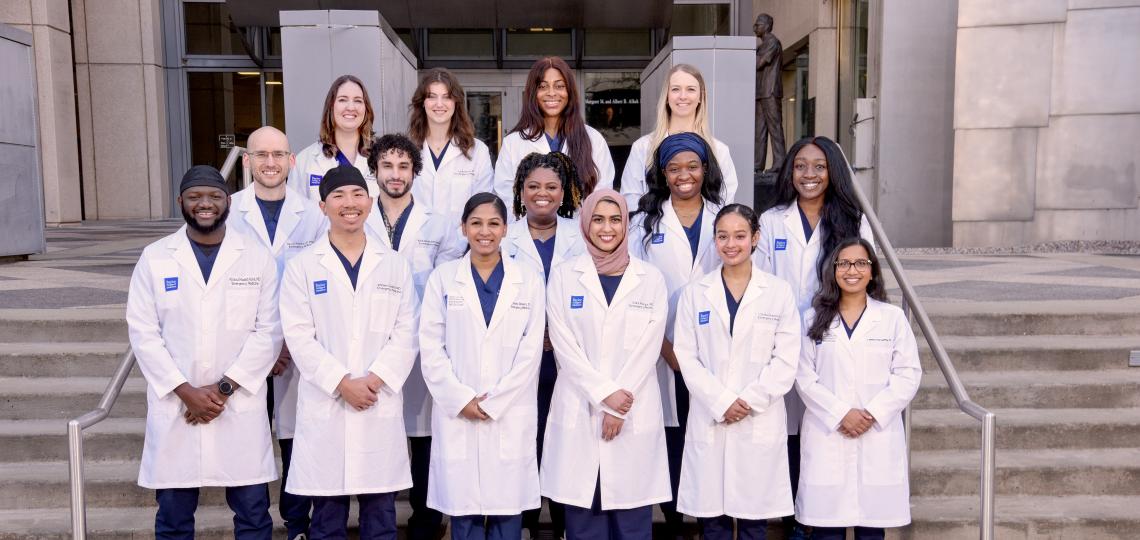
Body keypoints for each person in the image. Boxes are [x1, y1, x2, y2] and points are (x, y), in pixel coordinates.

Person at [126, 165, 281, 539]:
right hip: (178, 405)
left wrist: (223, 389)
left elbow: (270, 331)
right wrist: (186, 391)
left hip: (236, 404)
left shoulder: (256, 257)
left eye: (214, 196)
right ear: (181, 202)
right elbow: (143, 332)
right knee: (174, 519)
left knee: (253, 515)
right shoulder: (156, 257)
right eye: (195, 197)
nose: (205, 204)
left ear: (228, 201)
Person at [279, 165, 420, 540]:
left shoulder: (394, 265)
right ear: (323, 206)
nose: (349, 203)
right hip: (329, 403)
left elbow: (407, 332)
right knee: (327, 518)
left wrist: (373, 380)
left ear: (370, 203)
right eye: (338, 196)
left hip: (378, 400)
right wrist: (342, 383)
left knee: (381, 518)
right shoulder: (302, 267)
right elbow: (298, 336)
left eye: (357, 194)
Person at [753, 135, 875, 539]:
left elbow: (865, 275)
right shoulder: (771, 221)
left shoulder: (853, 220)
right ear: (789, 171)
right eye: (801, 165)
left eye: (819, 166)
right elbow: (761, 282)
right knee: (787, 432)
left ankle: (824, 517)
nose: (809, 174)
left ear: (833, 172)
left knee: (824, 428)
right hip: (784, 338)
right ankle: (793, 521)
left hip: (834, 337)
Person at [541, 189, 671, 540]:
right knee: (584, 520)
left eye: (615, 219)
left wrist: (618, 406)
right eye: (597, 219)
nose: (607, 228)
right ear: (585, 224)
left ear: (626, 224)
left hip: (632, 408)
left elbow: (648, 347)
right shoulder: (565, 276)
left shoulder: (651, 279)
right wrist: (605, 396)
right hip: (580, 407)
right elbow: (565, 348)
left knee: (632, 520)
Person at [419, 192, 546, 540]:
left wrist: (495, 401)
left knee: (507, 514)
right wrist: (461, 399)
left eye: (493, 223)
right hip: (459, 412)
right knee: (465, 516)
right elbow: (430, 347)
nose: (484, 231)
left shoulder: (528, 280)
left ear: (506, 229)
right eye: (475, 223)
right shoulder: (443, 279)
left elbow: (530, 350)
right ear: (463, 228)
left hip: (509, 411)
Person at [672, 204, 800, 539]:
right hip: (712, 416)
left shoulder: (778, 292)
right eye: (722, 236)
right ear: (714, 240)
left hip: (757, 417)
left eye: (740, 236)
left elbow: (786, 360)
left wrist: (747, 401)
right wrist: (722, 401)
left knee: (753, 520)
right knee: (711, 520)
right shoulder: (695, 294)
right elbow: (687, 357)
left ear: (755, 238)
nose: (731, 244)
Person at [226, 126, 327, 540]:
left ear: (292, 161)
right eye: (261, 154)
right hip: (242, 346)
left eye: (278, 154)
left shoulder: (314, 214)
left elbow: (321, 281)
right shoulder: (228, 210)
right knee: (248, 438)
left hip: (296, 347)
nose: (270, 162)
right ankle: (252, 522)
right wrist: (262, 343)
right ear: (246, 161)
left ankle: (297, 523)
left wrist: (287, 342)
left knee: (295, 436)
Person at [362, 133, 465, 540]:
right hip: (369, 344)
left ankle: (425, 519)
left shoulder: (437, 224)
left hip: (420, 343)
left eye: (404, 166)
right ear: (375, 171)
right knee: (379, 431)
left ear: (414, 172)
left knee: (422, 436)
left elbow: (443, 286)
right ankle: (379, 517)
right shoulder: (358, 215)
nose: (395, 174)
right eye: (387, 166)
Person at [628, 132, 724, 538]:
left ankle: (708, 518)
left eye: (693, 166)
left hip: (717, 348)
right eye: (674, 168)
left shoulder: (725, 216)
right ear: (662, 174)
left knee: (706, 435)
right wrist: (666, 347)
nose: (684, 175)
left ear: (705, 170)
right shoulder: (644, 222)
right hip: (662, 349)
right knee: (672, 434)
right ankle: (672, 521)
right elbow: (634, 289)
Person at [795, 238, 920, 540]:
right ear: (833, 271)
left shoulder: (892, 319)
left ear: (872, 271)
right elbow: (803, 375)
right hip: (829, 432)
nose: (853, 270)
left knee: (872, 530)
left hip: (875, 432)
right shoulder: (811, 319)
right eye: (844, 263)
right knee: (827, 530)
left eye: (861, 263)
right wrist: (840, 414)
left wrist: (871, 414)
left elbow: (908, 373)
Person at [500, 151, 587, 538]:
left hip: (568, 358)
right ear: (520, 191)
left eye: (551, 187)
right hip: (521, 359)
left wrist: (558, 332)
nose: (542, 194)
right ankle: (526, 525)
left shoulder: (581, 235)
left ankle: (567, 525)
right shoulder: (504, 236)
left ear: (564, 192)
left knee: (568, 442)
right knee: (524, 441)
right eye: (533, 186)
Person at [494, 56, 615, 212]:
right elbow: (507, 198)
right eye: (543, 87)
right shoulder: (513, 143)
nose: (551, 93)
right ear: (533, 93)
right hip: (529, 234)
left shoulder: (593, 139)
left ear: (569, 91)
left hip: (579, 234)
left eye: (559, 86)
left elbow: (602, 195)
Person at [620, 64, 738, 209]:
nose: (683, 96)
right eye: (676, 89)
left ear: (701, 96)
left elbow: (724, 204)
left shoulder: (719, 150)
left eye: (691, 89)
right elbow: (631, 200)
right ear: (667, 96)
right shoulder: (643, 147)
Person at [408, 68, 495, 222]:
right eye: (432, 97)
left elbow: (482, 206)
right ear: (422, 102)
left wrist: (463, 244)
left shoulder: (477, 151)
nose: (439, 104)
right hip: (414, 243)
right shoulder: (407, 150)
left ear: (456, 102)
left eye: (447, 97)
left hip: (462, 243)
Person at [291, 75, 379, 201]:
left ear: (366, 109)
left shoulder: (381, 158)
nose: (351, 107)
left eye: (358, 100)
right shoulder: (305, 161)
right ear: (331, 106)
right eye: (343, 100)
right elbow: (295, 211)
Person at [754, 14, 786, 174]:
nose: (755, 27)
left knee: (774, 127)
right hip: (761, 92)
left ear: (767, 26)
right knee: (759, 129)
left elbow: (759, 63)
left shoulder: (772, 43)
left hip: (770, 90)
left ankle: (780, 162)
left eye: (758, 24)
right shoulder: (761, 46)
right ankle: (757, 163)